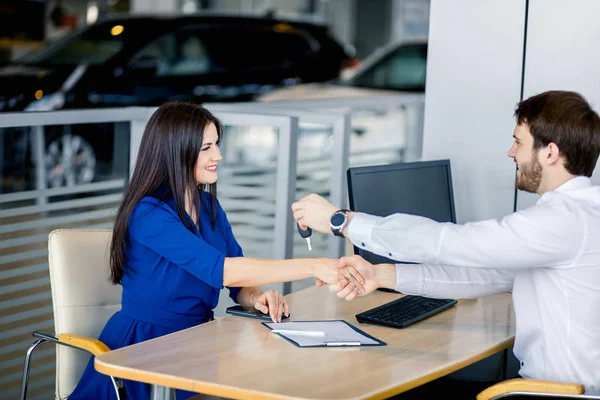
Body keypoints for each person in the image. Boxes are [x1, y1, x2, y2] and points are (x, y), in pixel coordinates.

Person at [292, 90, 600, 393]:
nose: (511, 153)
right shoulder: (582, 216)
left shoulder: (563, 222)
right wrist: (381, 275)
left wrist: (342, 221)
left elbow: (447, 242)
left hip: (556, 395)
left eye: (518, 141)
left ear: (550, 152)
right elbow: (488, 275)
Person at [69, 102, 364, 400]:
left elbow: (238, 280)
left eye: (217, 146)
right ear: (177, 151)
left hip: (197, 343)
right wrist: (314, 266)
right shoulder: (149, 214)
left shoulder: (209, 207)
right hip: (145, 348)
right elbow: (222, 269)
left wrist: (257, 296)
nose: (218, 156)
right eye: (206, 148)